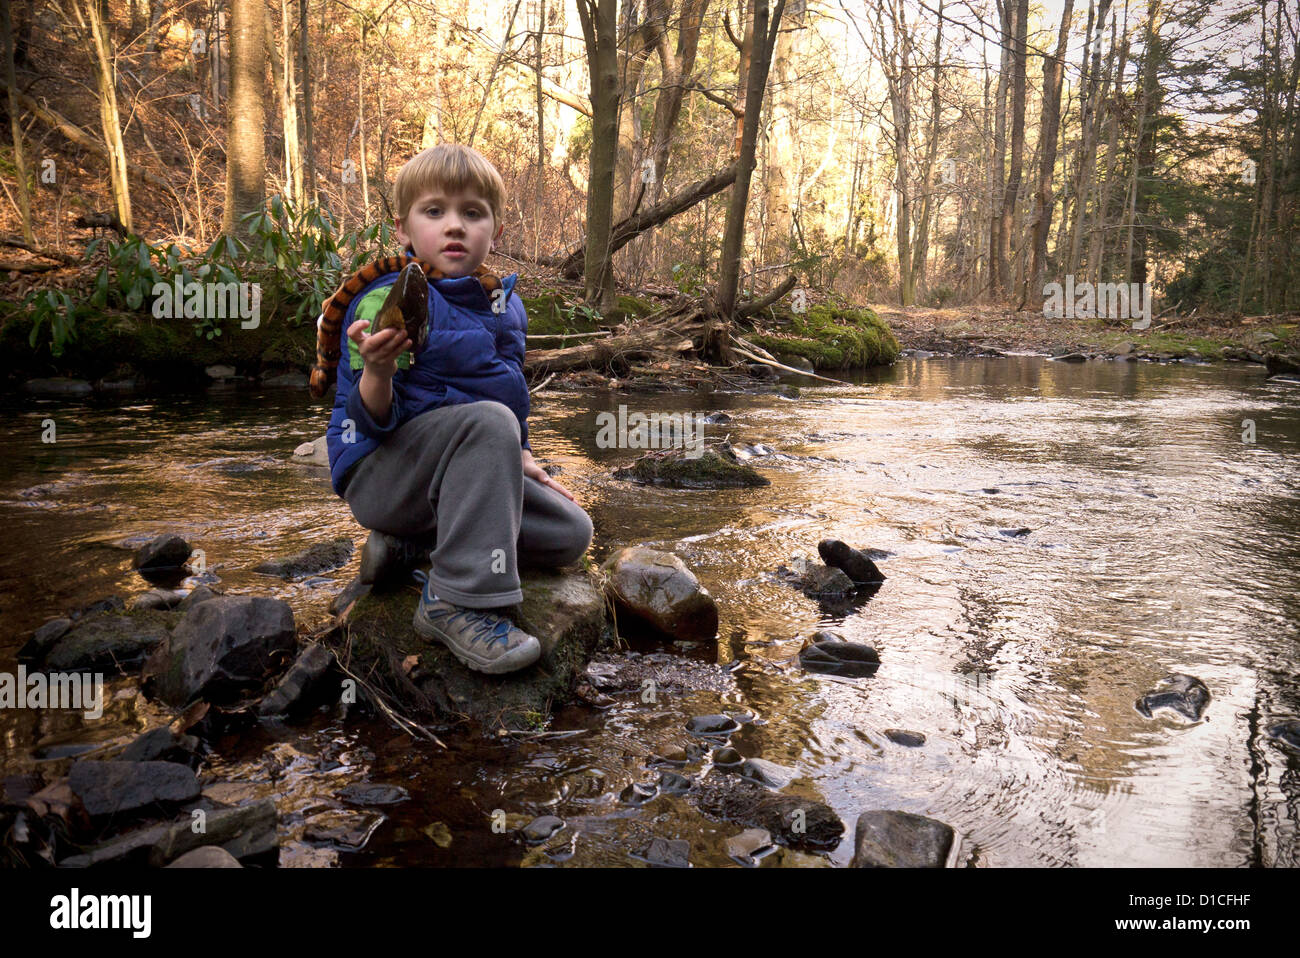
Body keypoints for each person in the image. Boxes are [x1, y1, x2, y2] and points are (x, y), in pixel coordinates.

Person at [325, 143, 593, 675]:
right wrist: (377, 371)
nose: (455, 226)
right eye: (435, 212)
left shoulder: (505, 306)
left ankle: (411, 551)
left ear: (494, 232)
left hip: (452, 476)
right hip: (382, 474)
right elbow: (370, 418)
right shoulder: (386, 297)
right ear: (403, 230)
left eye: (472, 213)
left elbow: (507, 399)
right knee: (489, 425)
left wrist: (521, 453)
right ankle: (457, 601)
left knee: (571, 533)